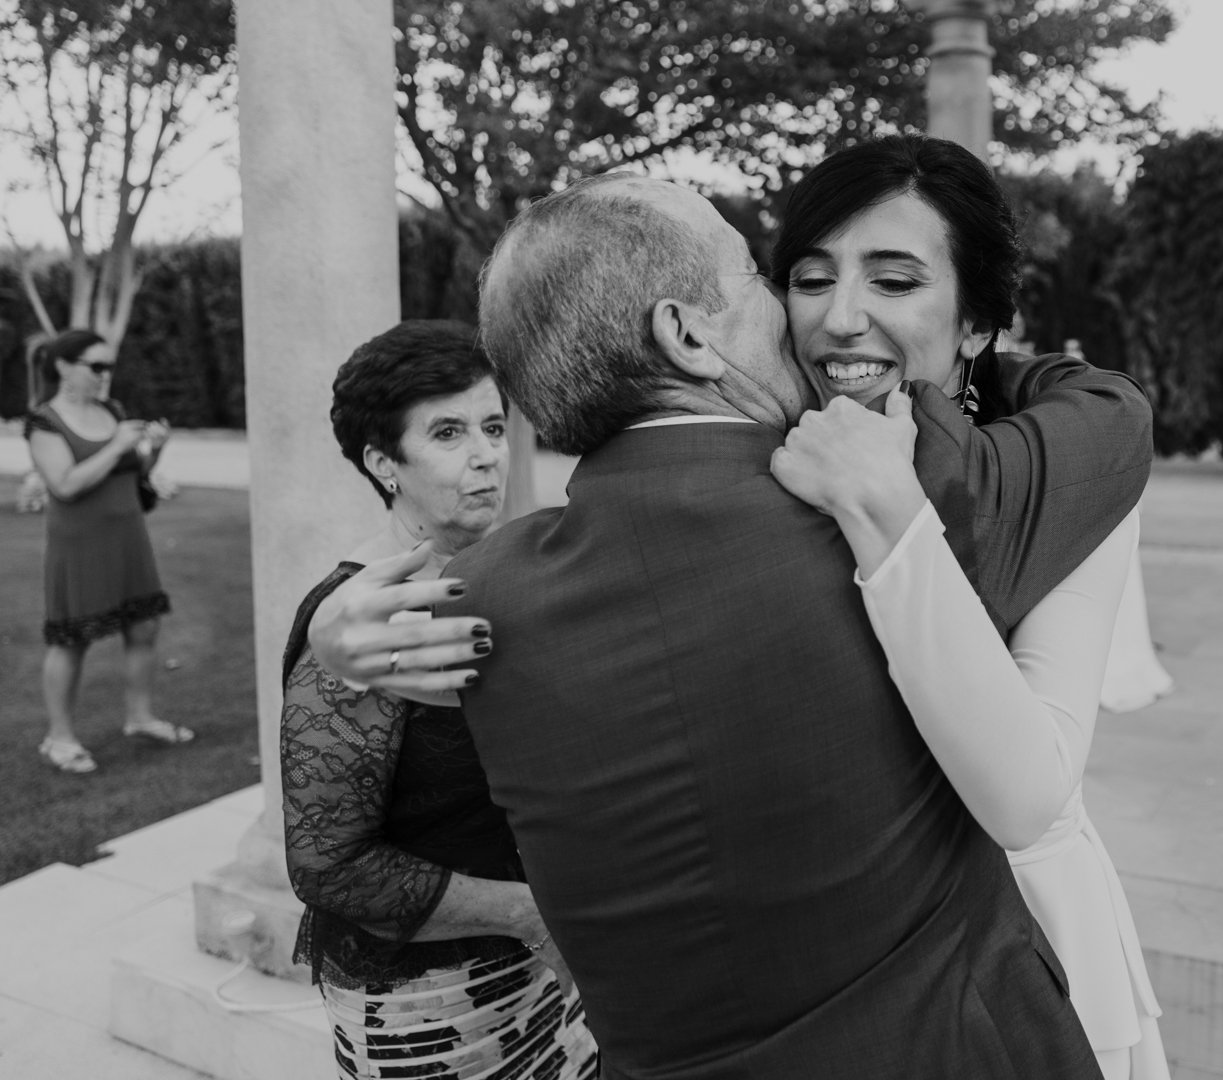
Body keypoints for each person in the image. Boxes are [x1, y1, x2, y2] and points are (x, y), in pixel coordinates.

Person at [305, 183, 1151, 1074]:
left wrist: (326, 648)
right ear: (688, 334)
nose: (796, 314)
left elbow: (353, 828)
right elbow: (1113, 419)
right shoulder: (891, 494)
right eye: (761, 277)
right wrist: (979, 360)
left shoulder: (476, 598)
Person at [768, 134, 1169, 1080]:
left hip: (1022, 957)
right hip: (818, 963)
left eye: (895, 282)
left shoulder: (1070, 474)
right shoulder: (774, 452)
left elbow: (1028, 795)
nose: (840, 317)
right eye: (811, 277)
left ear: (979, 323)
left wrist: (892, 514)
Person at [278, 320, 597, 1080]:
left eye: (493, 426)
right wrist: (528, 915)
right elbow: (328, 867)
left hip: (546, 978)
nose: (487, 454)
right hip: (433, 1008)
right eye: (448, 433)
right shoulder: (355, 625)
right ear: (384, 463)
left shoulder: (494, 575)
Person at [24, 329, 188, 774]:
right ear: (63, 367)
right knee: (73, 639)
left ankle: (140, 718)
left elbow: (134, 473)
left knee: (144, 626)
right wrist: (116, 444)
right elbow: (65, 485)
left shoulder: (111, 411)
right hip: (79, 545)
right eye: (96, 366)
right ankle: (59, 739)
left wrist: (154, 450)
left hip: (128, 536)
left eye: (109, 367)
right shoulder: (45, 422)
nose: (104, 375)